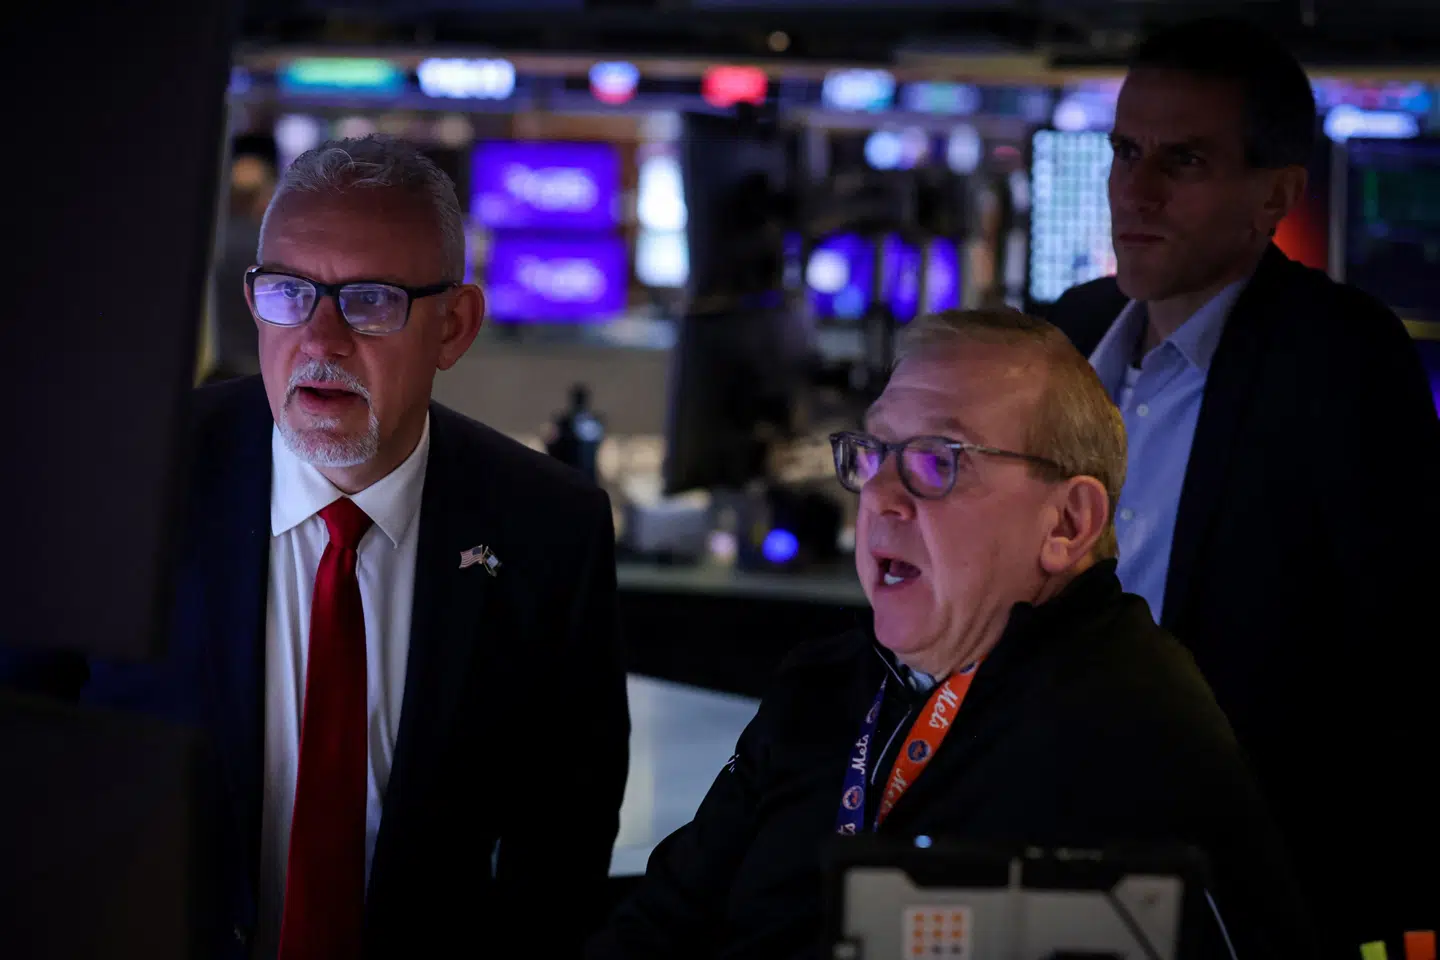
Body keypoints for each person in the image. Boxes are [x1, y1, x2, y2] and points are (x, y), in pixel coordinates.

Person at [0, 135, 630, 959]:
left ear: (454, 326)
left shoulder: (551, 528)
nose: (322, 339)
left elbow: (563, 854)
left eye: (370, 300)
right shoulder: (121, 481)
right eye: (290, 294)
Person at [587, 308, 1314, 960]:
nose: (879, 496)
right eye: (872, 455)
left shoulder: (1137, 732)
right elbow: (662, 922)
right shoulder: (824, 684)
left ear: (1067, 524)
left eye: (937, 461)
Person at [1046, 18, 1440, 953]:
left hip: (1244, 887)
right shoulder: (1063, 333)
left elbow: (1400, 661)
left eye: (1182, 161)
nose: (1133, 192)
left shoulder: (1340, 360)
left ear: (1276, 196)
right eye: (1125, 151)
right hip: (1048, 841)